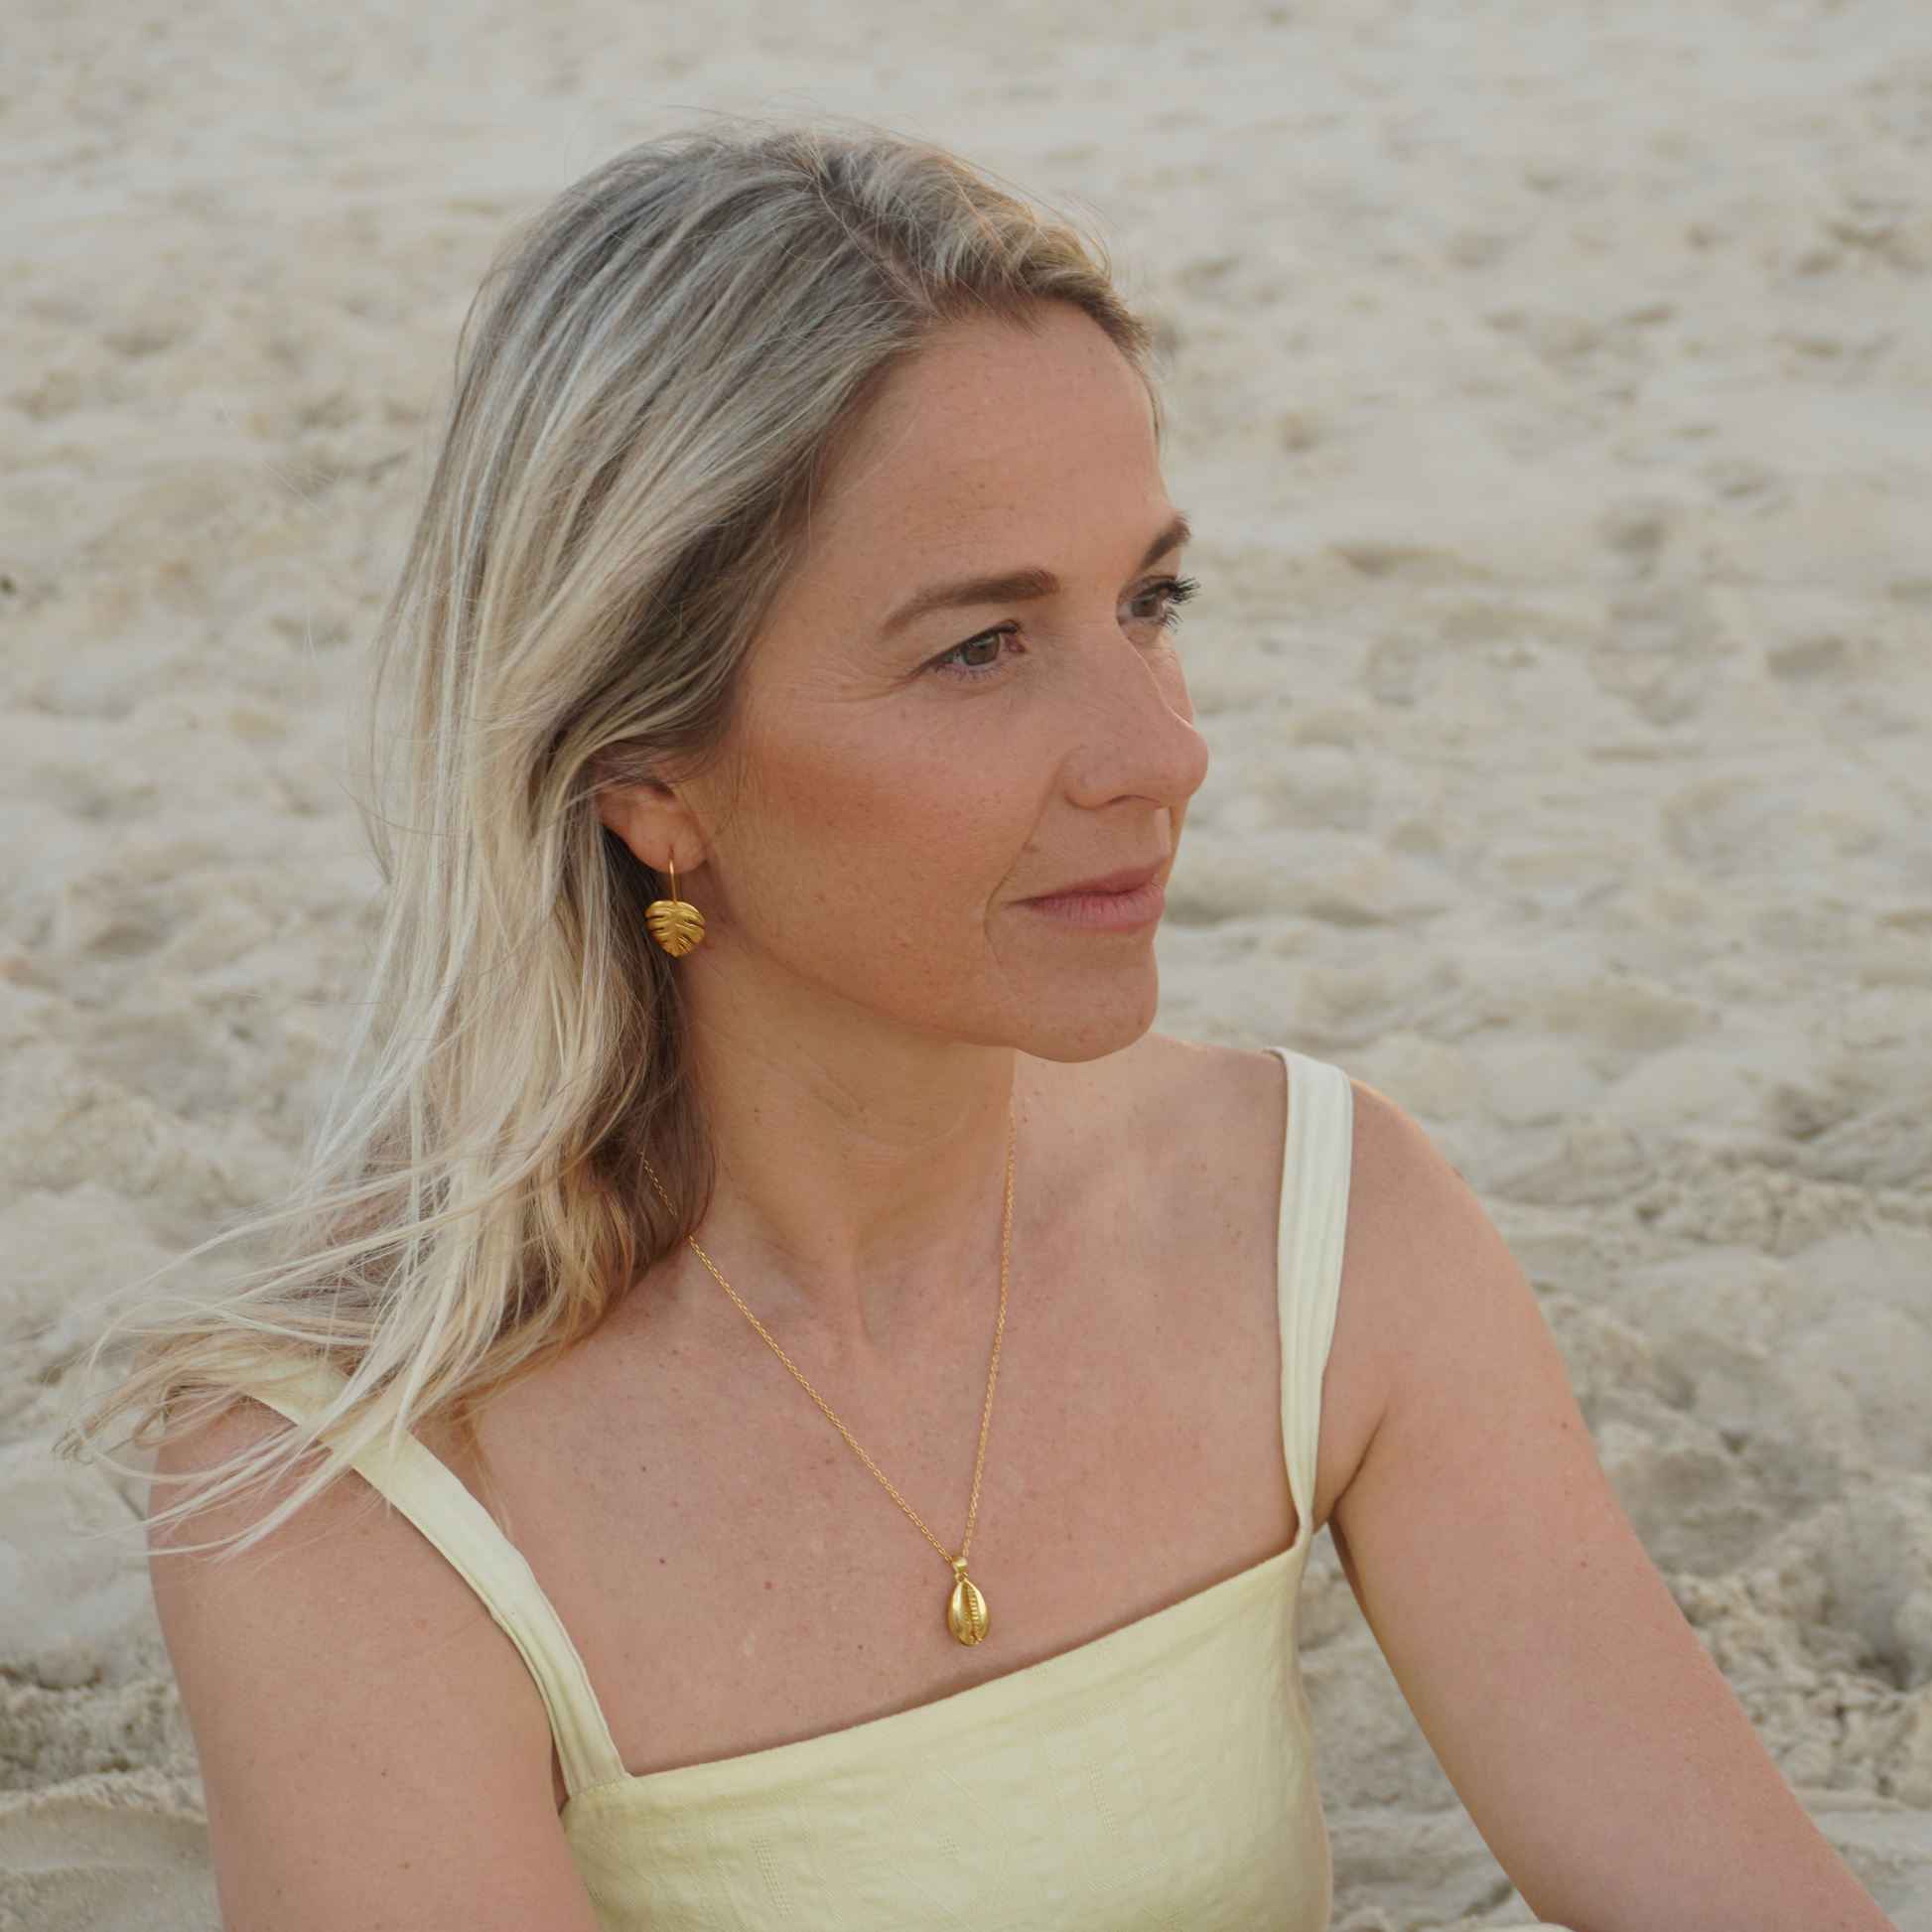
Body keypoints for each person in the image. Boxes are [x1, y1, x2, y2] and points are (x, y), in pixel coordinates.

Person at [101, 123, 1892, 1931]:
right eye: (980, 648)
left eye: (1147, 603)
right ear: (651, 776)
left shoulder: (1319, 1225)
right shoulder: (352, 1483)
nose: (1161, 752)